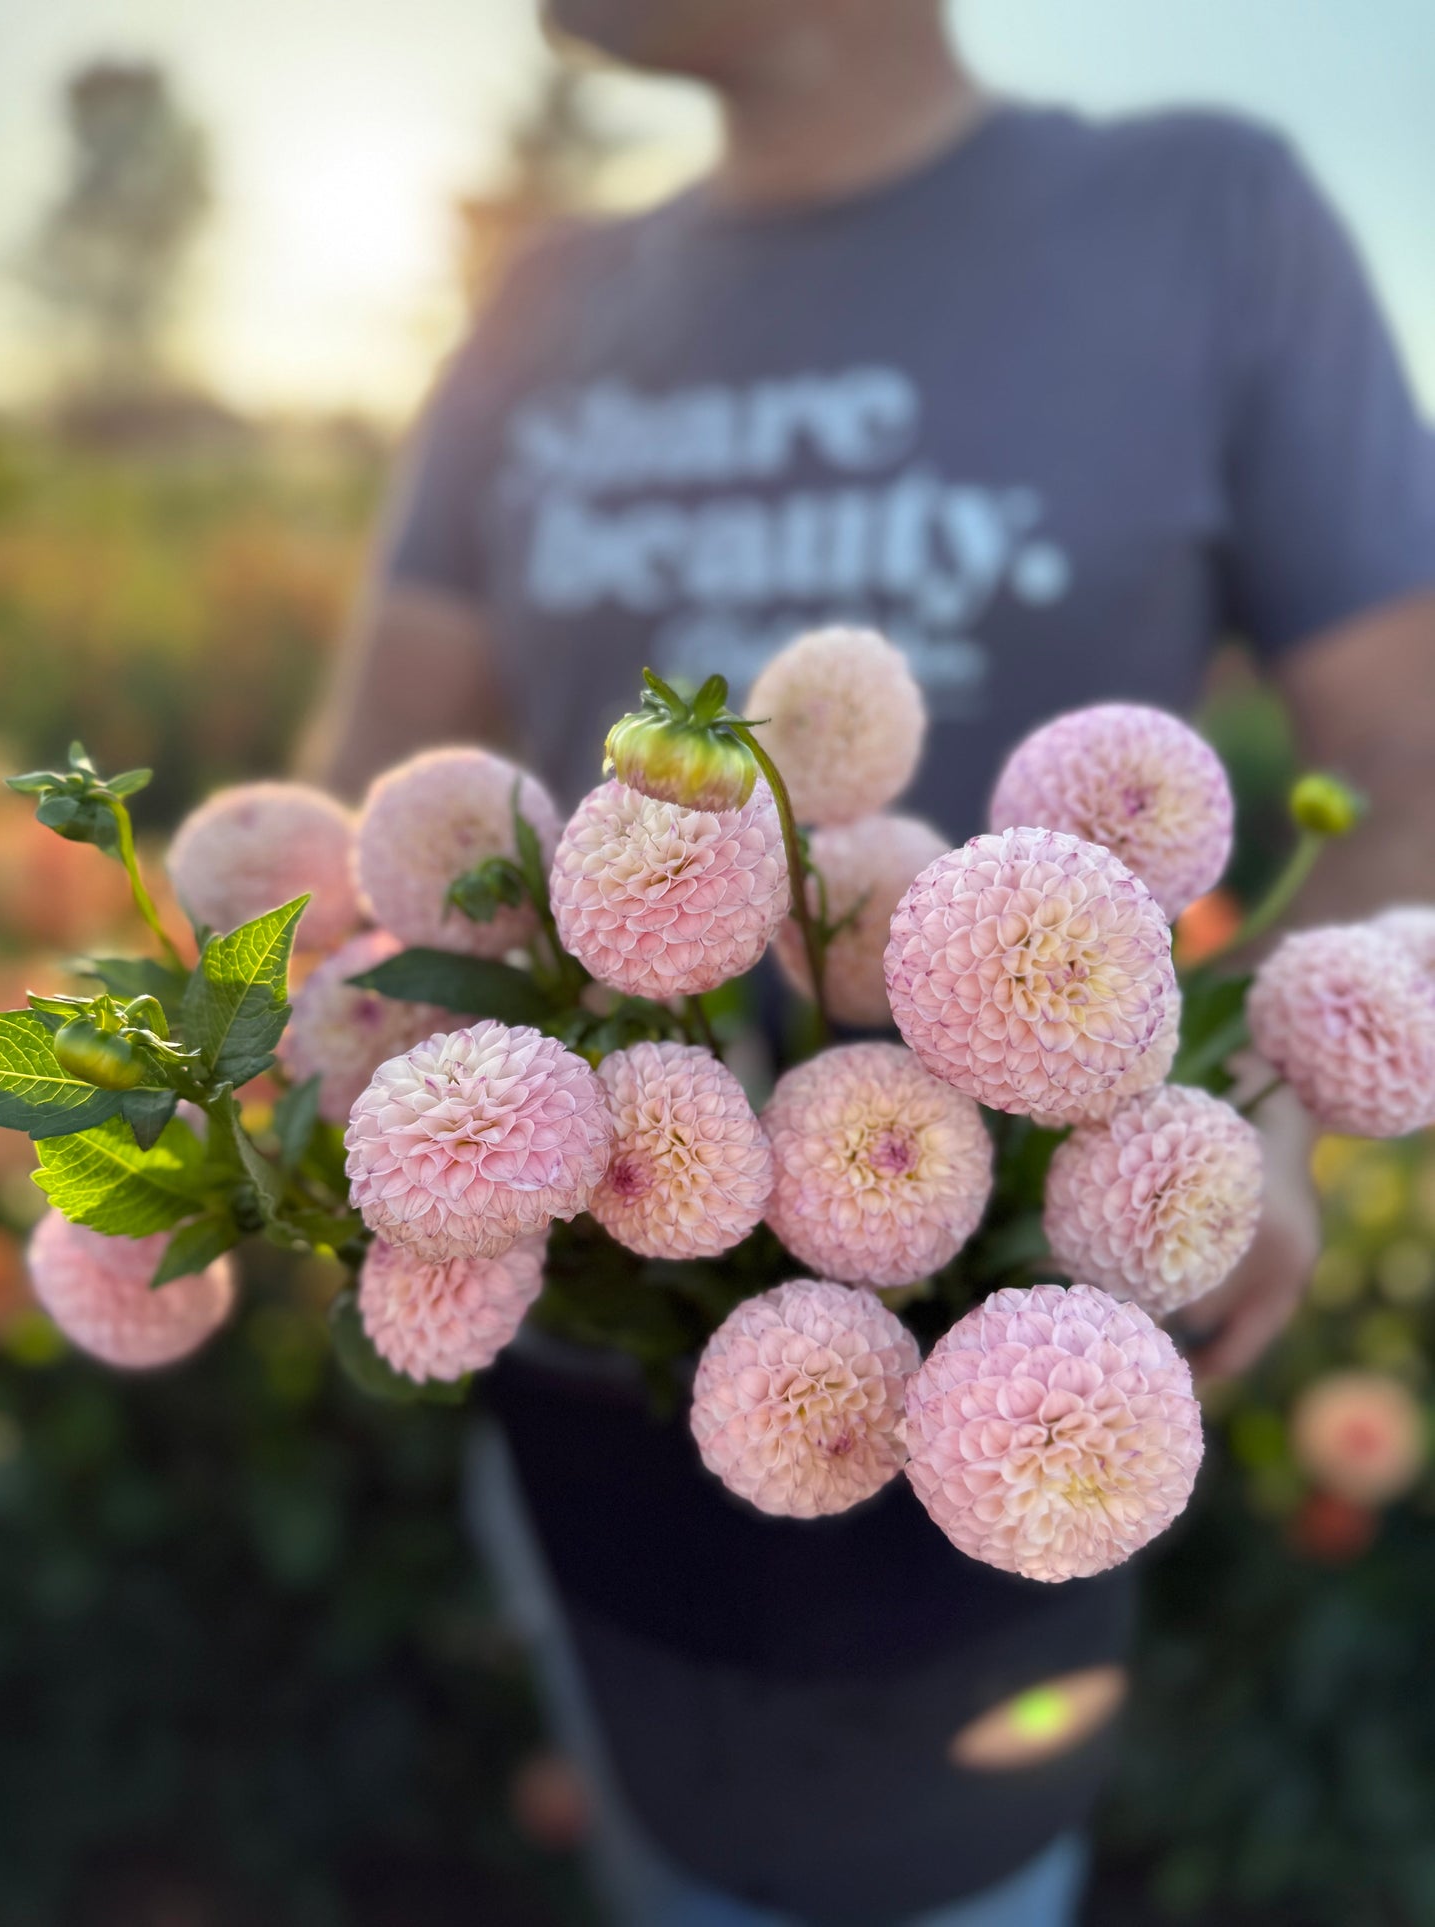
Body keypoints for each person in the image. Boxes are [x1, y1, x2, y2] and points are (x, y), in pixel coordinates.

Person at [309, 3, 1435, 1920]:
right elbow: (362, 812)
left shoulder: (1202, 216)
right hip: (581, 1322)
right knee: (660, 1839)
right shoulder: (535, 302)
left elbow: (1408, 757)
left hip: (1021, 1361)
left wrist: (1242, 1119)